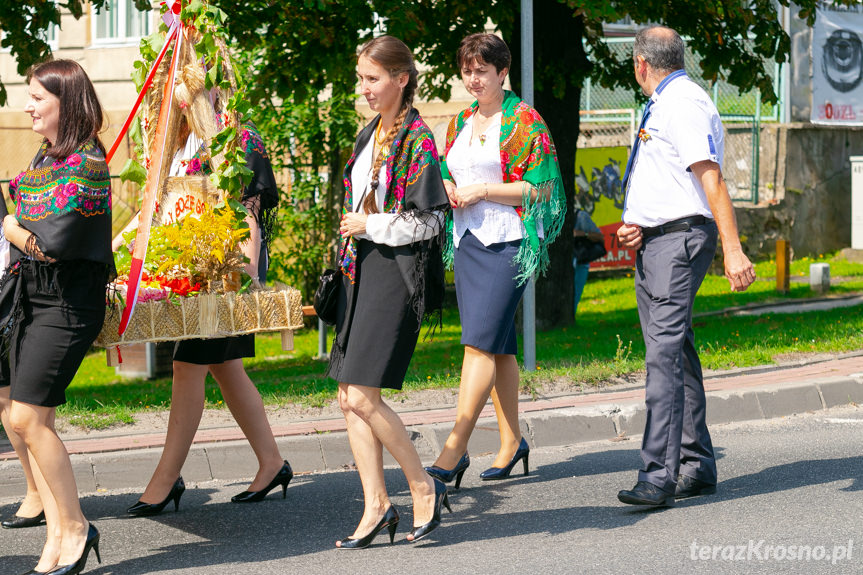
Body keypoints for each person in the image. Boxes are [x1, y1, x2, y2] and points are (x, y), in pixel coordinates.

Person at [121, 116, 291, 516]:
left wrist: (245, 277)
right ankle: (272, 463)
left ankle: (166, 479)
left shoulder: (237, 135)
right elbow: (158, 209)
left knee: (187, 365)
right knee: (225, 367)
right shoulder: (173, 137)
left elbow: (247, 211)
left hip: (225, 269)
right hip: (187, 268)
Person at [615, 26, 755, 507]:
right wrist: (639, 224)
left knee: (664, 356)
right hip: (659, 241)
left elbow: (710, 179)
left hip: (677, 243)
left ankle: (658, 475)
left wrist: (732, 250)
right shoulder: (666, 103)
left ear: (640, 64)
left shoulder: (682, 104)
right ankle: (697, 465)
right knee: (677, 350)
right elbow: (671, 180)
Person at [425, 33, 565, 488]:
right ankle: (511, 441)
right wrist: (447, 188)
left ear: (503, 72)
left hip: (509, 241)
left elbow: (540, 189)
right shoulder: (461, 119)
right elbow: (447, 168)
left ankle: (454, 449)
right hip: (468, 242)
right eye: (467, 70)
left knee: (478, 344)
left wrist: (482, 191)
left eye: (482, 70)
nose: (473, 78)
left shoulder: (525, 121)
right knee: (499, 345)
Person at [328, 35, 450, 548]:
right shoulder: (369, 135)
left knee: (361, 393)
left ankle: (423, 487)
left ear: (401, 79)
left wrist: (370, 224)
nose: (366, 89)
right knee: (347, 398)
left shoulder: (418, 139)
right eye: (361, 80)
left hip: (396, 274)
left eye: (373, 79)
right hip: (362, 269)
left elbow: (429, 221)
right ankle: (376, 505)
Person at [1, 59, 114, 575]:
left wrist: (11, 228)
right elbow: (26, 204)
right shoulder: (48, 159)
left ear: (64, 104)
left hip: (68, 304)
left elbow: (50, 242)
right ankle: (56, 538)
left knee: (25, 417)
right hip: (35, 299)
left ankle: (75, 527)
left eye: (36, 98)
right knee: (30, 420)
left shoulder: (87, 162)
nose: (26, 105)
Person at [572, 207, 605, 316]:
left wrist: (581, 234)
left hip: (580, 264)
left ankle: (569, 320)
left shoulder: (580, 216)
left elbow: (600, 237)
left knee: (574, 298)